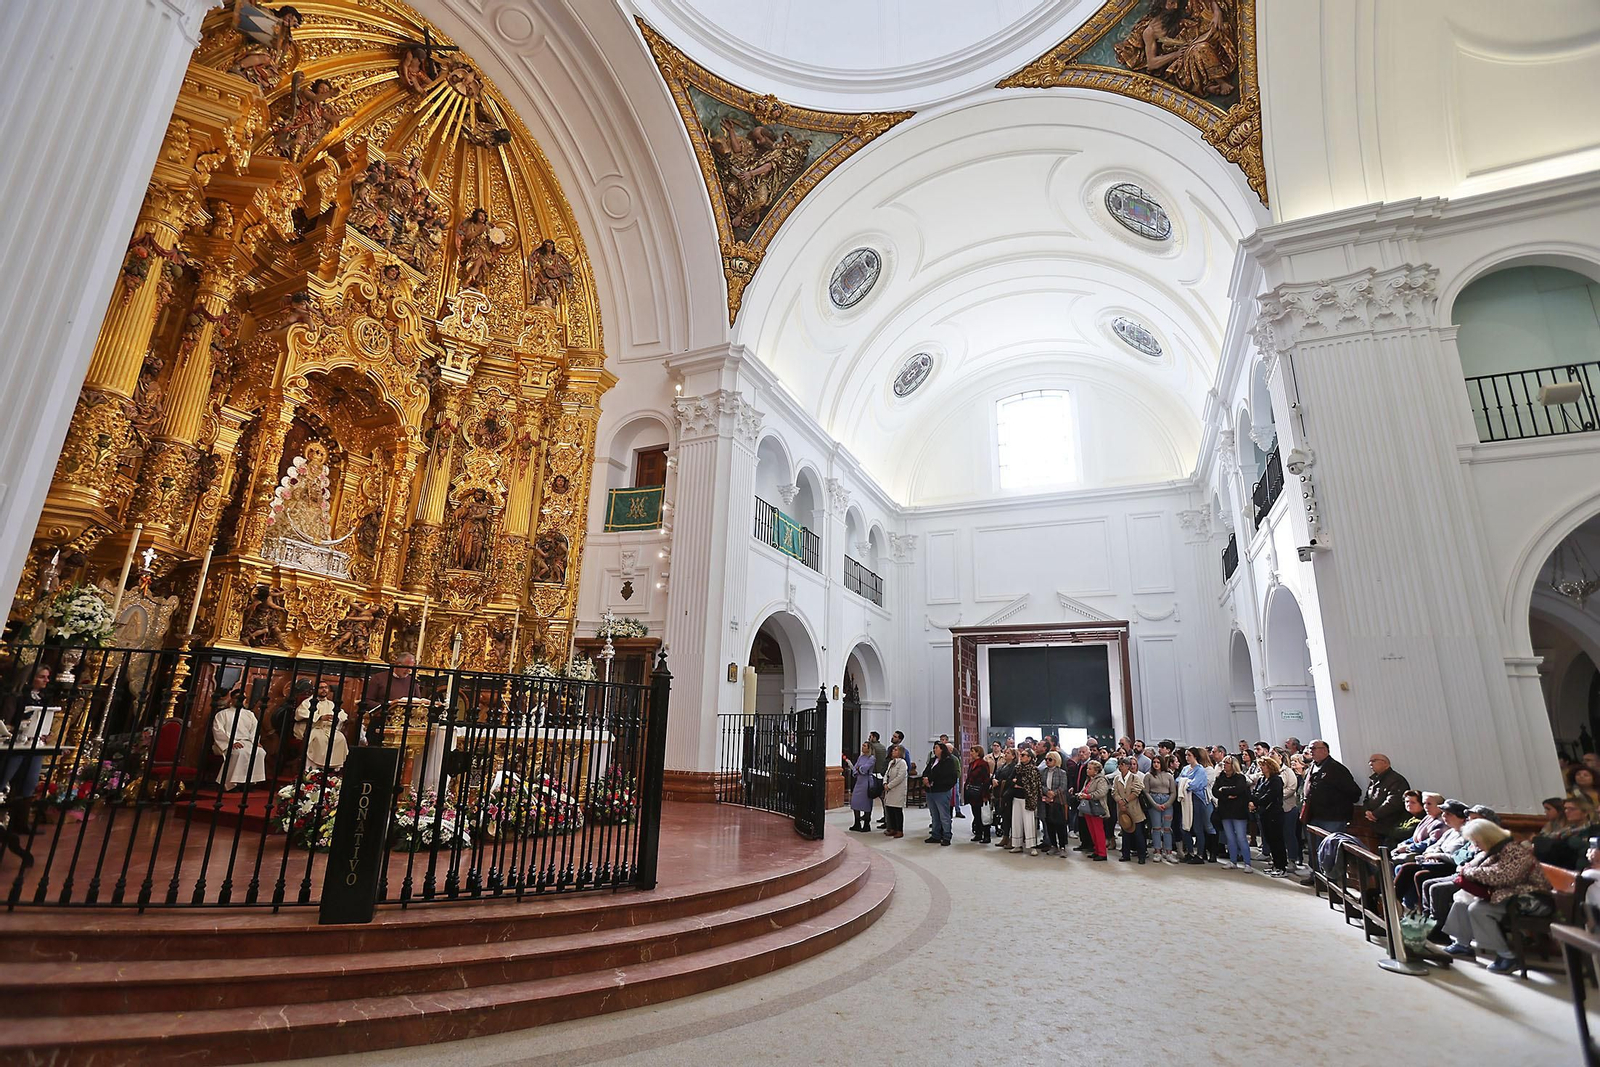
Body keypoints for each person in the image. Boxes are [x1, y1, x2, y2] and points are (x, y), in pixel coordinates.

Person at [1440, 819, 1554, 974]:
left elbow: (1503, 876)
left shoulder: (1515, 850)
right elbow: (1478, 868)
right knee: (1461, 900)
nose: (1475, 845)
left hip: (1532, 899)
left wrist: (1468, 872)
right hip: (1510, 894)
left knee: (1478, 909)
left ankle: (1507, 957)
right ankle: (1462, 944)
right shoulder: (1496, 849)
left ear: (1488, 838)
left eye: (1477, 841)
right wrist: (1467, 870)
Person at [1300, 738, 1361, 885]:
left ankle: (1332, 881)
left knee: (1329, 850)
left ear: (1325, 750)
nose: (1311, 751)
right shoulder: (1313, 767)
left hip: (1332, 817)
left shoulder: (1336, 769)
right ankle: (1317, 877)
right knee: (1315, 849)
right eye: (1310, 748)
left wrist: (1333, 800)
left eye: (1314, 748)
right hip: (1314, 816)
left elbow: (1354, 793)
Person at [211, 687, 268, 791]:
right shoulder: (222, 714)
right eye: (238, 698)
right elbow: (218, 730)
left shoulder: (249, 714)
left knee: (260, 752)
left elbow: (254, 730)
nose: (240, 700)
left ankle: (248, 782)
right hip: (228, 742)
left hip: (247, 742)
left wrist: (255, 742)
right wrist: (232, 742)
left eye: (243, 698)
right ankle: (231, 784)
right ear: (232, 699)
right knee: (240, 753)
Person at [297, 680, 350, 772]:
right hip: (314, 728)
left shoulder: (331, 704)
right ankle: (313, 769)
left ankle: (332, 769)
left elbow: (343, 715)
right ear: (315, 689)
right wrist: (320, 717)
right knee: (320, 739)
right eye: (321, 688)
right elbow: (300, 714)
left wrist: (337, 718)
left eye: (326, 688)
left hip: (328, 729)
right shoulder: (307, 702)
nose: (324, 690)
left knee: (340, 738)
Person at [1362, 753, 1413, 844]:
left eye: (1374, 761)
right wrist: (1367, 812)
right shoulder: (1374, 780)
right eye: (1369, 762)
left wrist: (1375, 814)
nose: (1370, 764)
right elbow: (1367, 799)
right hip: (1378, 825)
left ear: (1385, 763)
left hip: (1392, 825)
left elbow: (1394, 801)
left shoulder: (1396, 779)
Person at [1250, 756, 1288, 875]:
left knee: (1277, 841)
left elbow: (1270, 796)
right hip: (1263, 813)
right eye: (1260, 765)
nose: (1261, 767)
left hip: (1274, 814)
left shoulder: (1276, 780)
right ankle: (1275, 864)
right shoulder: (1262, 779)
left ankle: (1281, 867)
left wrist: (1256, 802)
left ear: (1270, 767)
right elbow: (1256, 792)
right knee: (1269, 840)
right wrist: (1252, 802)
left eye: (1263, 765)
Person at [1213, 756, 1252, 869]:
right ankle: (1233, 861)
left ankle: (1247, 863)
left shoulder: (1240, 777)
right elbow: (1215, 791)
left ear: (1233, 765)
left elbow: (1238, 790)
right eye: (1224, 763)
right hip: (1225, 811)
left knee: (1241, 837)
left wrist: (1224, 790)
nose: (1225, 765)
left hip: (1238, 811)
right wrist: (1227, 795)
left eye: (1227, 763)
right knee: (1230, 838)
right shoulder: (1220, 777)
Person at [1177, 747, 1213, 864]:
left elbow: (1195, 785)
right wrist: (1186, 782)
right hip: (1186, 800)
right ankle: (1190, 852)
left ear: (1195, 756)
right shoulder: (1186, 768)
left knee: (1198, 828)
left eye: (1189, 755)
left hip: (1197, 800)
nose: (1187, 757)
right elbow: (1178, 780)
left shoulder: (1200, 770)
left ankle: (1200, 854)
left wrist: (1185, 782)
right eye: (1186, 755)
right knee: (1185, 826)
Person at [1112, 756, 1148, 863]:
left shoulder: (1134, 778)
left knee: (1138, 834)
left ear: (1127, 766)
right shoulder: (1117, 779)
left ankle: (1142, 855)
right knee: (1125, 833)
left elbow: (1136, 791)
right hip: (1122, 810)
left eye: (1122, 765)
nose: (1120, 767)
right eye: (1119, 764)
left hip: (1134, 809)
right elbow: (1114, 792)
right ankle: (1125, 854)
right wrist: (1119, 801)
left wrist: (1126, 801)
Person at [922, 742, 958, 846]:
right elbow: (926, 771)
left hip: (942, 791)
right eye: (934, 748)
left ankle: (946, 836)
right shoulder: (933, 760)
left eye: (936, 748)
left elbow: (951, 778)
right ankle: (935, 835)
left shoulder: (949, 761)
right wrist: (925, 779)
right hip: (930, 791)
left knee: (944, 815)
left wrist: (932, 781)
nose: (934, 750)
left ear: (942, 749)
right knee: (934, 815)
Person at [1009, 748, 1042, 855]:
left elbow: (1032, 785)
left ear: (1030, 757)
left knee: (1029, 823)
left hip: (1028, 799)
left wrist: (1018, 782)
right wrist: (1018, 783)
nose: (1021, 756)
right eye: (1021, 755)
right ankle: (1017, 844)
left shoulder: (1033, 770)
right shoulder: (1017, 768)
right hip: (1016, 797)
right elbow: (1010, 780)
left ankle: (1032, 846)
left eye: (1024, 755)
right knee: (1016, 821)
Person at [1144, 754, 1177, 863]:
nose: (1156, 764)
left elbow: (1173, 792)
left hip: (1167, 801)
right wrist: (1154, 804)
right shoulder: (1148, 776)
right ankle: (1157, 851)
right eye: (1154, 762)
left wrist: (1167, 804)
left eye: (1158, 762)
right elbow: (1146, 792)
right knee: (1156, 828)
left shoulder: (1169, 775)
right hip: (1154, 801)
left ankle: (1168, 852)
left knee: (1167, 828)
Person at [1038, 751, 1071, 855]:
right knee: (1049, 824)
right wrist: (1047, 792)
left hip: (1057, 802)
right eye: (1046, 759)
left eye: (1050, 759)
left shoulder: (1062, 773)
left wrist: (1054, 793)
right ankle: (1053, 845)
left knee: (1060, 825)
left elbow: (1063, 786)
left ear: (1056, 760)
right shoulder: (1043, 772)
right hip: (1046, 801)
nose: (1047, 761)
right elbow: (1040, 784)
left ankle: (1062, 847)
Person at [965, 745, 992, 843]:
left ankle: (986, 835)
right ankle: (979, 833)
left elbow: (986, 780)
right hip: (973, 792)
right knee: (976, 814)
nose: (971, 753)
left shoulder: (983, 764)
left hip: (981, 792)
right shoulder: (972, 764)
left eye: (972, 751)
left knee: (983, 815)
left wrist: (985, 795)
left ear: (978, 752)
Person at [848, 742, 877, 832]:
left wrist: (859, 769)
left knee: (866, 803)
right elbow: (855, 768)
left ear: (869, 748)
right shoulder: (861, 757)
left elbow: (865, 769)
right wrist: (857, 770)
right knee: (855, 802)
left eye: (864, 746)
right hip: (859, 781)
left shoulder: (871, 758)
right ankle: (857, 823)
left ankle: (866, 824)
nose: (862, 747)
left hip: (867, 782)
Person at [881, 744, 907, 838]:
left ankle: (899, 830)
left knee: (897, 810)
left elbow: (900, 777)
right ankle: (892, 828)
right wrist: (884, 783)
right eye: (893, 750)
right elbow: (886, 774)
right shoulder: (891, 762)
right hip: (889, 789)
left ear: (900, 752)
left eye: (895, 750)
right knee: (890, 809)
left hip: (897, 790)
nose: (893, 751)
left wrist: (889, 785)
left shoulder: (902, 763)